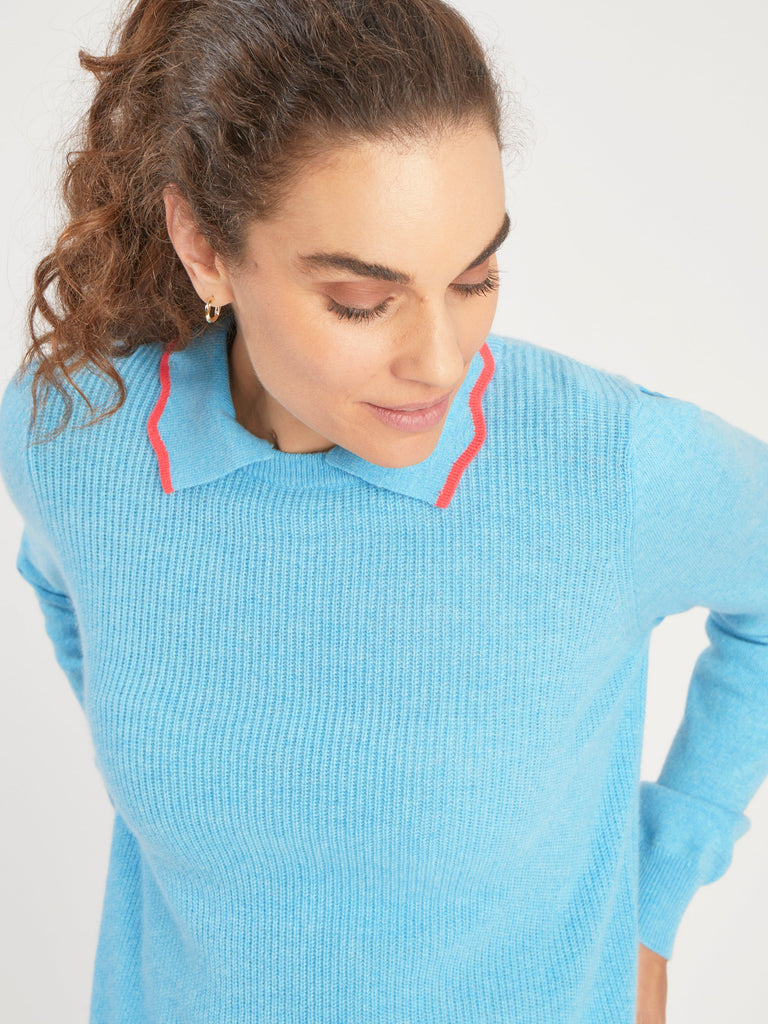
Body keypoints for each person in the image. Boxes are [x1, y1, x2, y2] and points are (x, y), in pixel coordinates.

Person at [0, 0, 766, 1021]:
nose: (441, 362)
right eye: (362, 301)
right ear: (204, 245)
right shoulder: (73, 434)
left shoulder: (602, 465)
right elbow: (63, 576)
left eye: (475, 277)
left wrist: (654, 894)